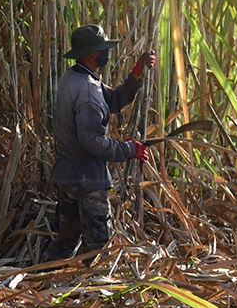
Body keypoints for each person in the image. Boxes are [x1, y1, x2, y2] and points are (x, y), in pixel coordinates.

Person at [42, 25, 156, 263]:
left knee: (65, 242)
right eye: (101, 48)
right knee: (98, 248)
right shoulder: (87, 90)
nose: (106, 52)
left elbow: (113, 100)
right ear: (89, 53)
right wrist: (129, 150)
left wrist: (136, 74)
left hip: (67, 178)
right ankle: (87, 293)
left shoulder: (73, 78)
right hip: (87, 182)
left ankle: (41, 283)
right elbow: (92, 141)